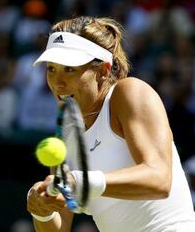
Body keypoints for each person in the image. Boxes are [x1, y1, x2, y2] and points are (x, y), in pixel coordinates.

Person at [26, 16, 195, 232]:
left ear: (104, 71)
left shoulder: (129, 93)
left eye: (70, 69)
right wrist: (41, 210)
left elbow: (159, 179)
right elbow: (59, 227)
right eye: (51, 69)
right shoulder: (65, 137)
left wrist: (82, 182)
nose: (58, 83)